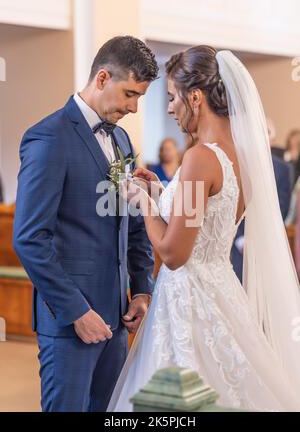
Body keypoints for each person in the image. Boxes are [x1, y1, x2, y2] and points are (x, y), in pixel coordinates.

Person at [108, 46, 300, 412]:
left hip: (190, 302)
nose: (168, 108)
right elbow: (200, 218)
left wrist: (146, 203)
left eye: (171, 97)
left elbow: (174, 253)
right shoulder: (240, 158)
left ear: (194, 97)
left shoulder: (200, 157)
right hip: (223, 292)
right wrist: (162, 193)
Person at [13, 36, 158, 412]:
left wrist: (141, 288)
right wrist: (77, 311)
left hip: (116, 318)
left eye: (139, 98)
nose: (133, 107)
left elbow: (132, 222)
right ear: (102, 78)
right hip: (70, 324)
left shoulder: (123, 140)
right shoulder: (48, 137)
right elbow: (30, 239)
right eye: (129, 94)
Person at [231, 119, 293, 282]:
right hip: (238, 245)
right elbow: (231, 204)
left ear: (272, 138)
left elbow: (282, 207)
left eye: (266, 132)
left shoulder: (284, 168)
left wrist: (261, 239)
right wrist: (240, 239)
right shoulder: (238, 163)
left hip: (269, 244)